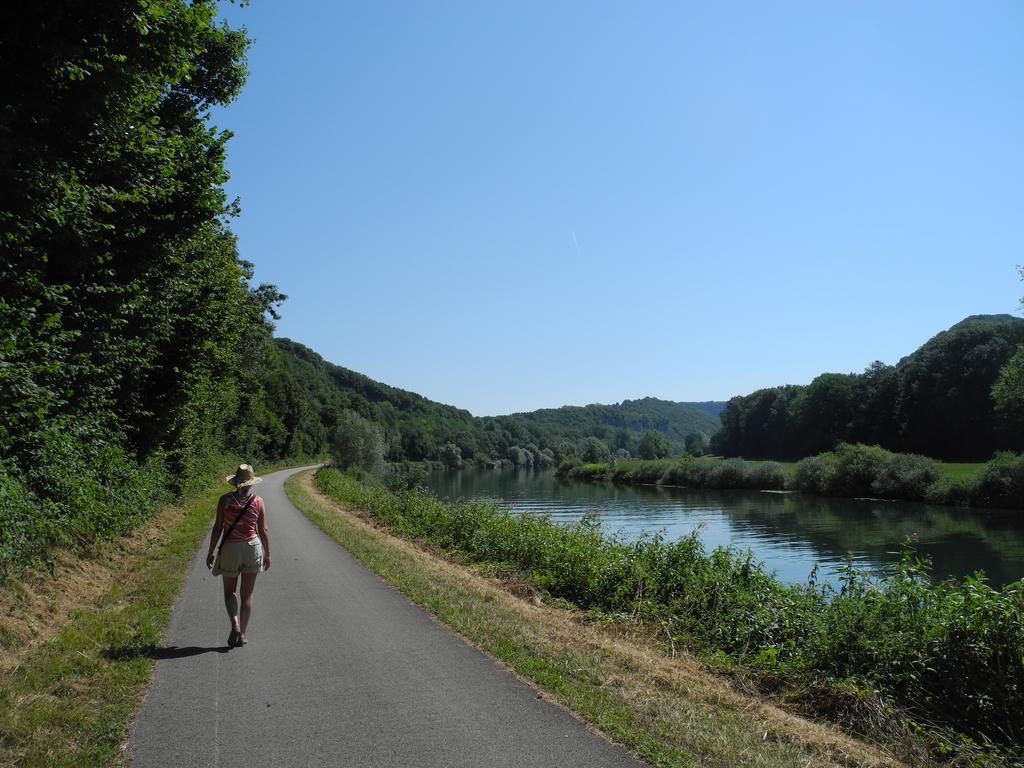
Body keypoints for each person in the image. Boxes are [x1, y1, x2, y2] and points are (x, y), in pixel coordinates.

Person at [206, 464, 272, 647]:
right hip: (252, 547)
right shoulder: (258, 501)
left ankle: (234, 623)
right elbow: (263, 530)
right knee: (247, 594)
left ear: (235, 482)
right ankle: (242, 634)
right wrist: (268, 554)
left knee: (229, 591)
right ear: (251, 483)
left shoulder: (224, 500)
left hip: (230, 548)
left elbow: (218, 528)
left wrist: (211, 552)